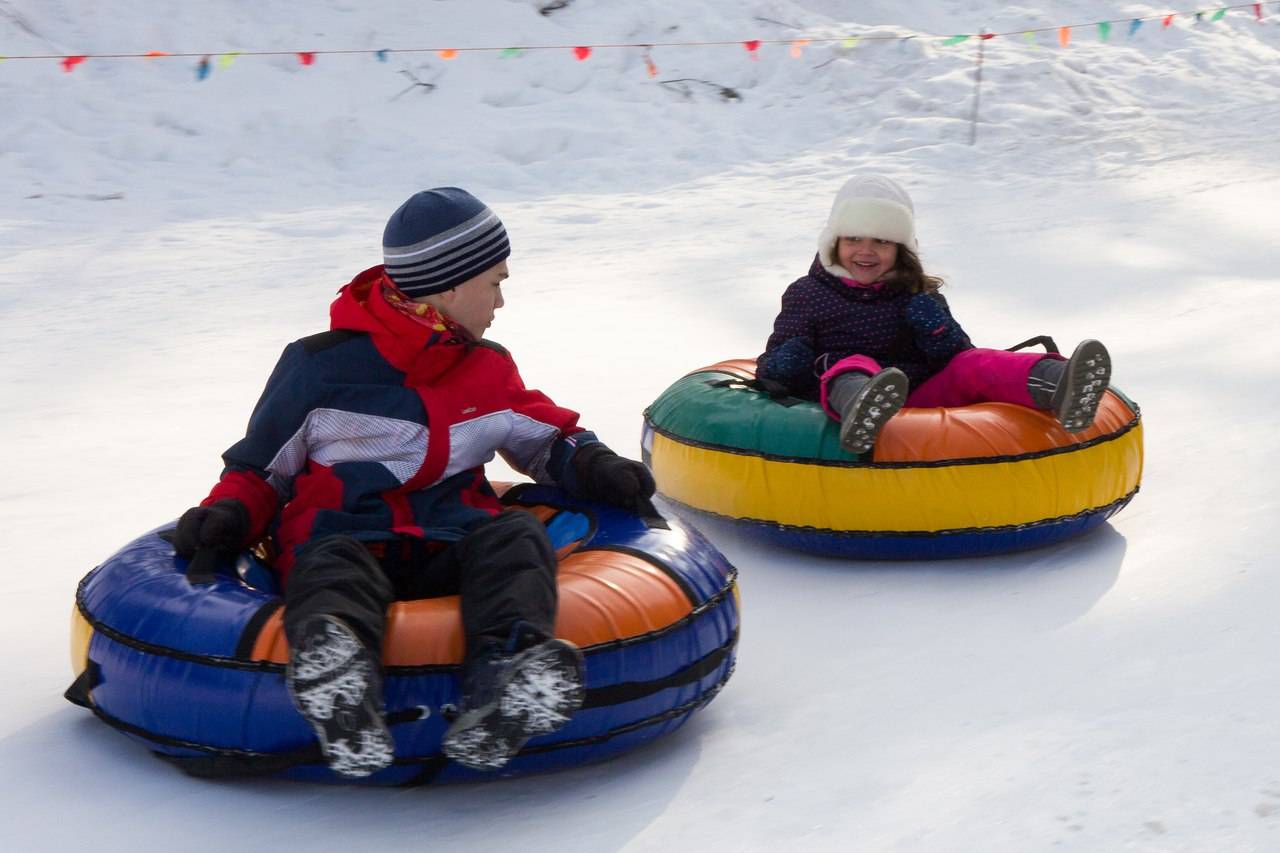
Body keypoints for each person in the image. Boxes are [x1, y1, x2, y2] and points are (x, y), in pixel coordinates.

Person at [171, 187, 655, 777]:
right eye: (495, 283)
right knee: (331, 570)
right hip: (347, 532)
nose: (501, 301)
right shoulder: (319, 367)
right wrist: (228, 516)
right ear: (450, 286)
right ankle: (339, 680)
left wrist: (596, 465)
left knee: (516, 540)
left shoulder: (486, 367)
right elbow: (260, 469)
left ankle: (508, 676)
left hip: (451, 538)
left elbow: (545, 437)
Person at [757, 174, 1112, 454]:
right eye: (854, 239)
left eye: (881, 242)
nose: (866, 252)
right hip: (845, 386)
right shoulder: (807, 294)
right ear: (834, 242)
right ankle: (862, 411)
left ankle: (1060, 382)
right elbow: (774, 362)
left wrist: (936, 329)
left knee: (976, 364)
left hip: (922, 390)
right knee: (849, 365)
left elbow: (958, 355)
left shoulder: (917, 293)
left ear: (902, 250)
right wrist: (788, 362)